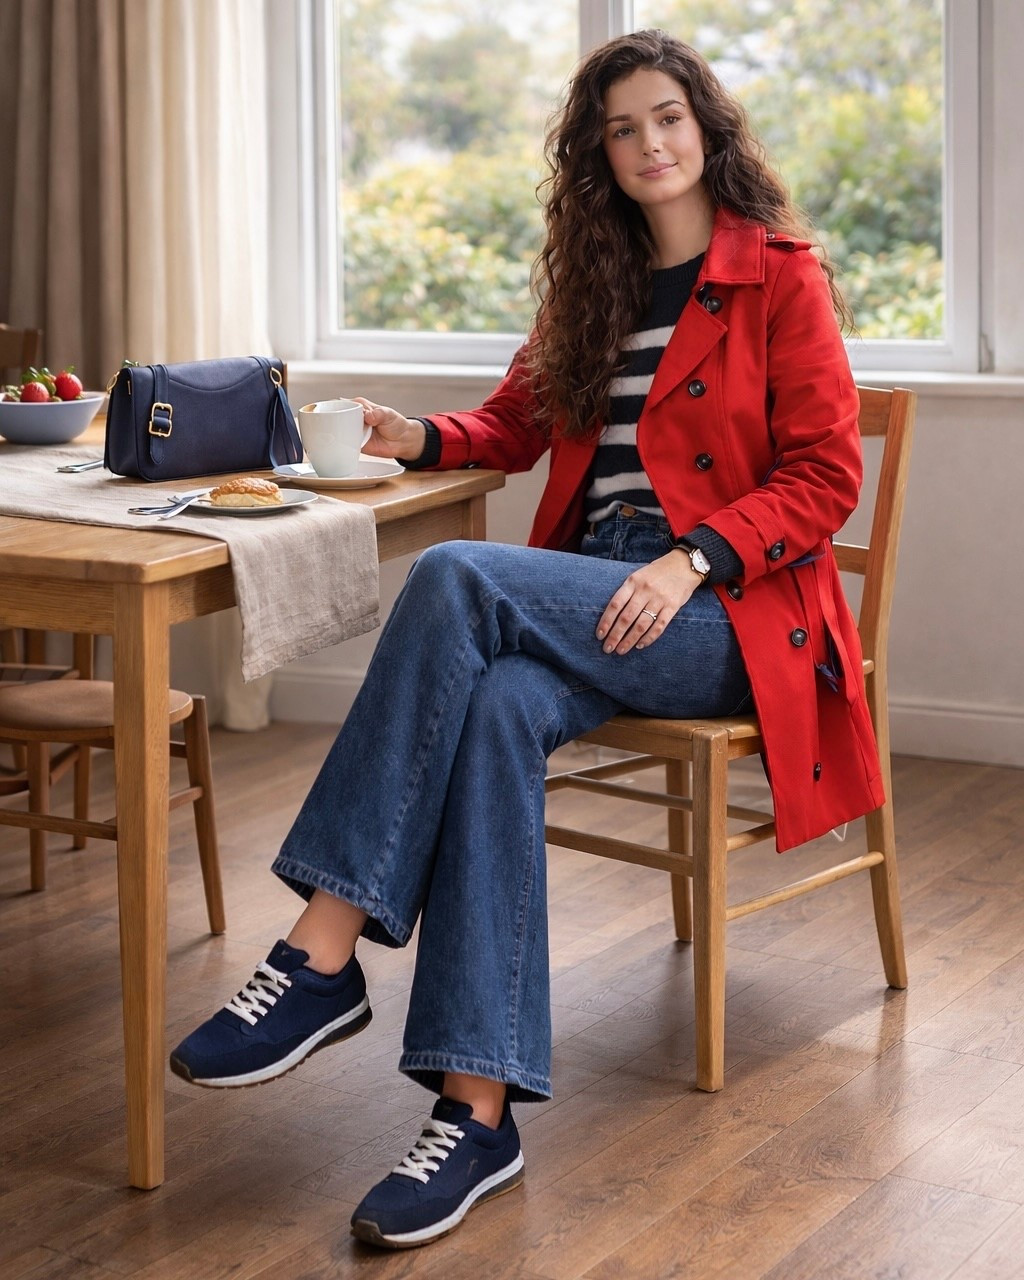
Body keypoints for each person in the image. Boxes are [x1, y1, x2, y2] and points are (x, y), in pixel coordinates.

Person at [172, 28, 883, 1250]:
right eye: (622, 128)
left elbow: (824, 475)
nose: (649, 144)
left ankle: (323, 949)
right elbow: (514, 422)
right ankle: (477, 1112)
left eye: (667, 117)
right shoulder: (595, 281)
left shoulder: (780, 274)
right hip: (590, 587)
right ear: (598, 154)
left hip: (721, 608)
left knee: (454, 572)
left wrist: (691, 556)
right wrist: (416, 436)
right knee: (497, 705)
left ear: (706, 127)